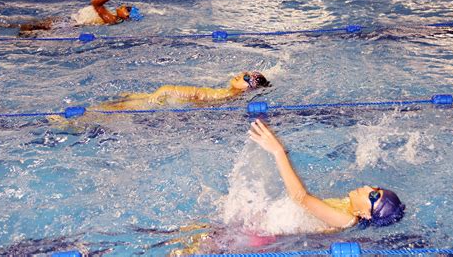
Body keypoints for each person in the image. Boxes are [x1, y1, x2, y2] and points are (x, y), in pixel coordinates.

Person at [248, 118, 406, 229]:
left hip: (261, 232)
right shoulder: (347, 206)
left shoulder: (346, 220)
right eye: (375, 188)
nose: (366, 188)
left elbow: (300, 197)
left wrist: (278, 151)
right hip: (264, 219)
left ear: (366, 214)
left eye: (372, 196)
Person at [0, 0, 143, 36]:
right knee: (25, 27)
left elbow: (95, 2)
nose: (124, 6)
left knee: (23, 27)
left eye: (127, 9)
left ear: (127, 16)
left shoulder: (111, 19)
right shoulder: (112, 18)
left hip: (66, 25)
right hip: (66, 22)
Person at [92, 71, 270, 111]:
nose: (241, 74)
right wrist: (161, 92)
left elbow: (195, 94)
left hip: (166, 99)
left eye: (246, 77)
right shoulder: (225, 95)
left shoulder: (225, 95)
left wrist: (162, 92)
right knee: (117, 106)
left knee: (117, 106)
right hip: (165, 98)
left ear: (249, 88)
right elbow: (194, 93)